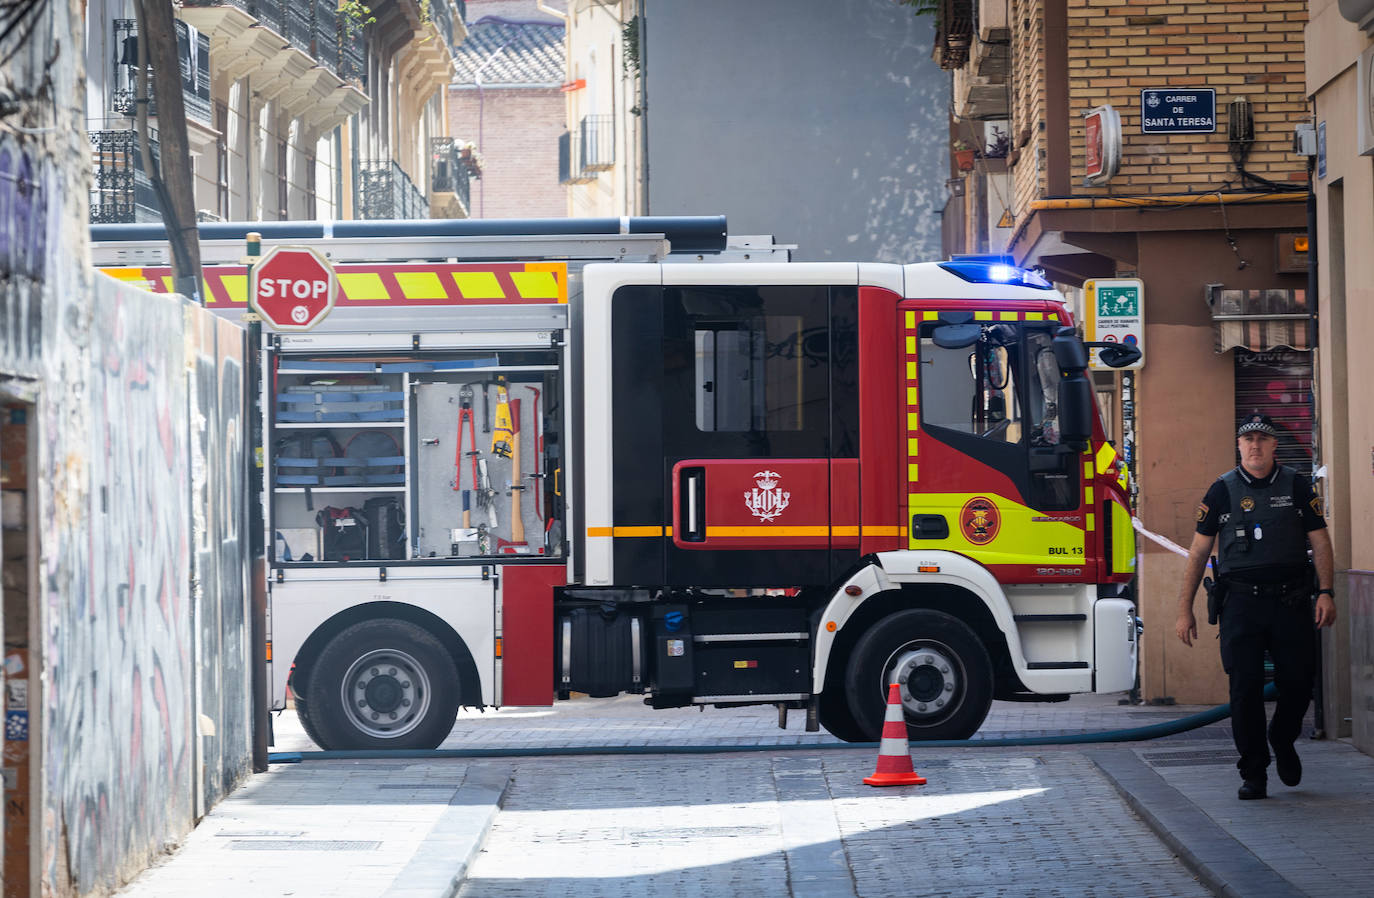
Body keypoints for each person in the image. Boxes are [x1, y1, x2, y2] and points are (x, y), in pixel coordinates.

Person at [1175, 412, 1336, 800]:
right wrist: (1184, 609)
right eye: (1248, 440)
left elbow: (1320, 541)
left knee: (1298, 683)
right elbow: (1198, 552)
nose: (1255, 446)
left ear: (1274, 445)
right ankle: (1254, 773)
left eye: (1263, 439)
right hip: (1241, 603)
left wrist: (1327, 591)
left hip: (1291, 600)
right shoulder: (1221, 491)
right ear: (1239, 446)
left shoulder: (1297, 485)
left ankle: (1282, 739)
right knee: (1244, 690)